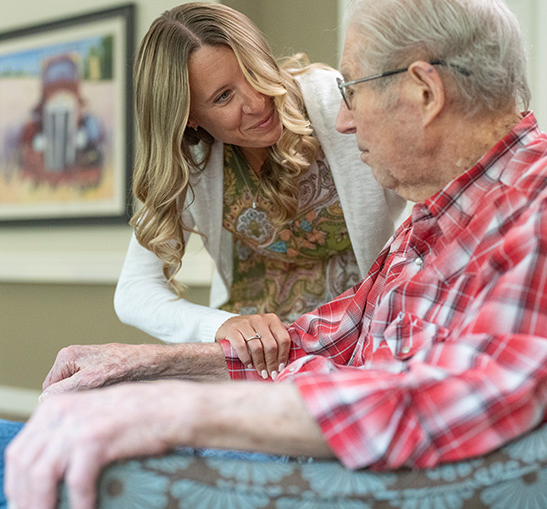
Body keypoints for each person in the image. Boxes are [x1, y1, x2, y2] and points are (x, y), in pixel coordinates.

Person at [0, 0, 547, 509]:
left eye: (353, 92)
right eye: (220, 96)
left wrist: (173, 409)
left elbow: (471, 395)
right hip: (298, 424)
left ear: (423, 91)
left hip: (348, 480)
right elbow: (334, 330)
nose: (342, 117)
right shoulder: (441, 215)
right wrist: (154, 366)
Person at [113, 2, 407, 379]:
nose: (256, 102)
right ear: (188, 116)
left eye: (255, 71)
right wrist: (221, 325)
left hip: (356, 349)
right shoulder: (191, 163)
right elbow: (134, 292)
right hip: (252, 364)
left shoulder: (336, 105)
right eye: (223, 97)